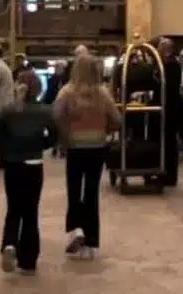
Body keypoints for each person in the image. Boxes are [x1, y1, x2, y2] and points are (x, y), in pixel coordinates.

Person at [0, 69, 57, 276]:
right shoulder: (45, 111)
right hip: (34, 162)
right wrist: (41, 144)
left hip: (13, 163)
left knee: (13, 208)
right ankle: (28, 260)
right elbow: (54, 136)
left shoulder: (9, 110)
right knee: (31, 212)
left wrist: (6, 149)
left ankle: (9, 243)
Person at [53, 54, 120, 260]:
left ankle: (75, 229)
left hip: (75, 146)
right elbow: (117, 119)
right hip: (97, 146)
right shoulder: (103, 93)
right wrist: (105, 130)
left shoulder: (67, 92)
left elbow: (56, 116)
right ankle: (91, 241)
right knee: (91, 193)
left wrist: (65, 136)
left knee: (74, 190)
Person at [158, 38, 183, 187]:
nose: (158, 51)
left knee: (169, 142)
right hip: (169, 106)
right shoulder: (167, 65)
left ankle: (170, 175)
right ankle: (164, 172)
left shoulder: (172, 66)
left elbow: (167, 87)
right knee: (166, 141)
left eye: (160, 48)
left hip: (171, 108)